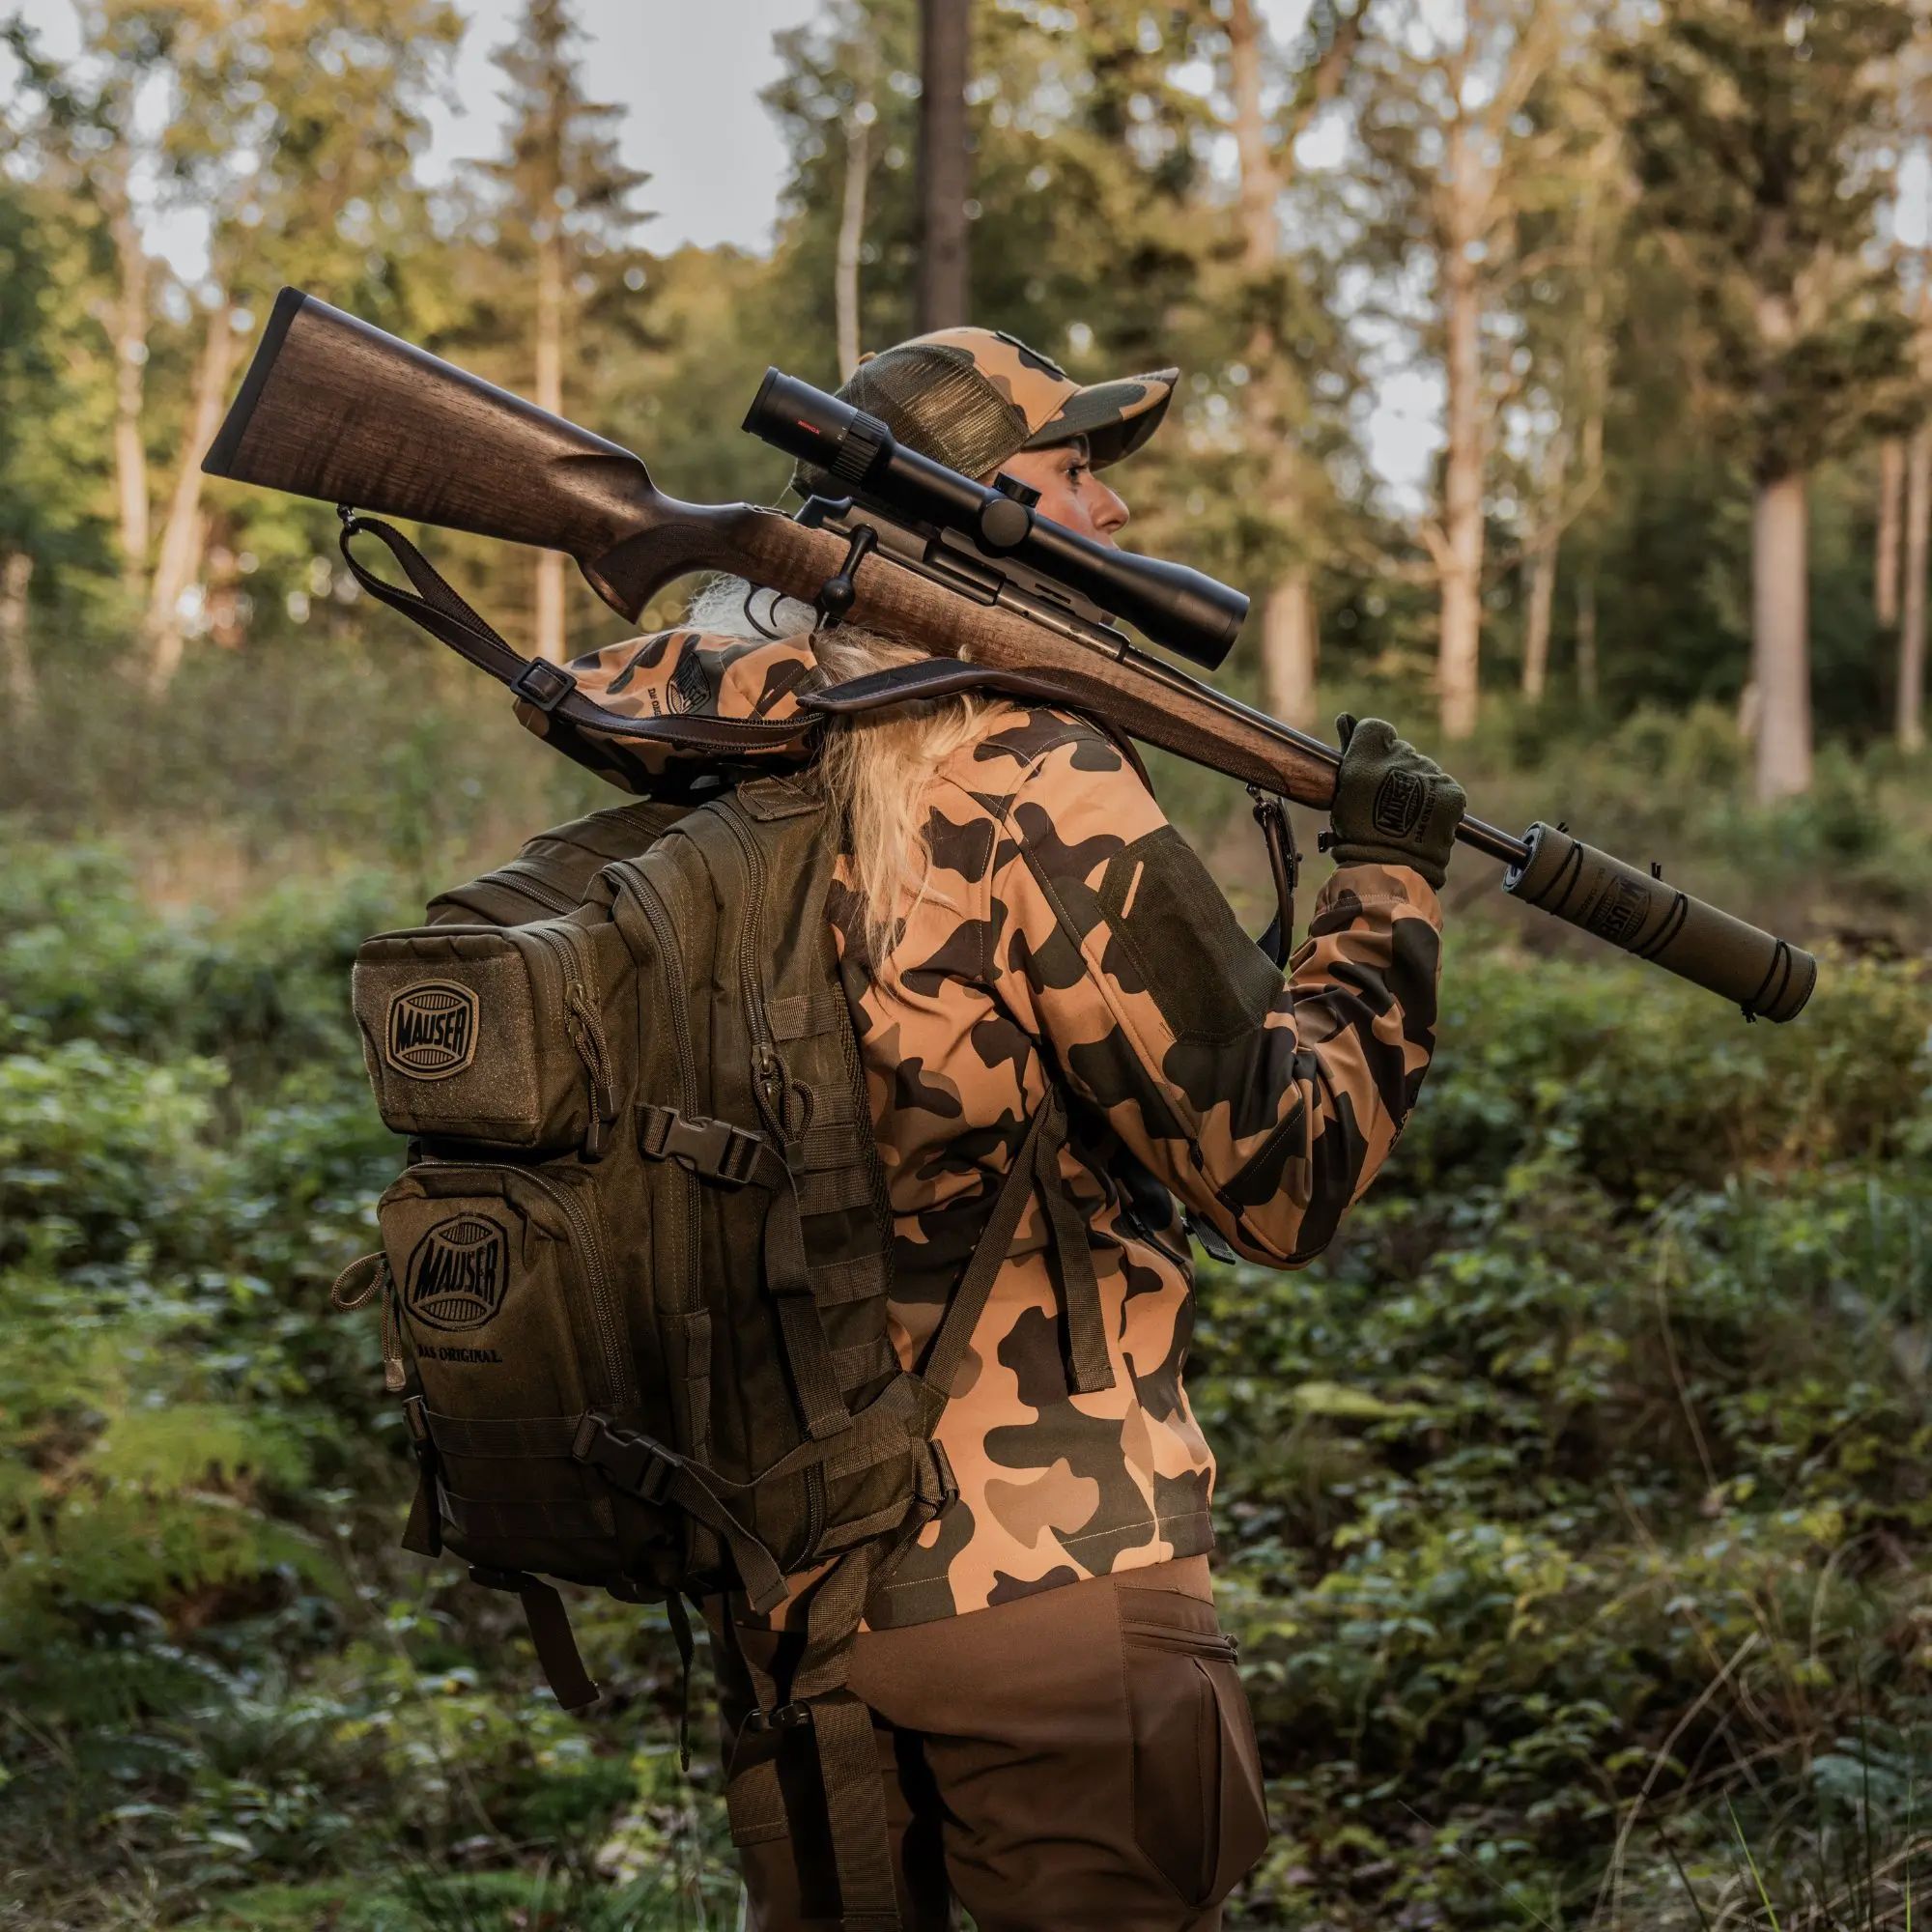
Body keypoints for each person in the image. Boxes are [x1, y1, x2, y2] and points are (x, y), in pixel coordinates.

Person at [619, 327, 1464, 1930]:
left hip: (785, 1594)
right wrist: (1383, 895)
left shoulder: (698, 756)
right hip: (1048, 1594)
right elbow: (1284, 1177)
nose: (1114, 517)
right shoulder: (1023, 773)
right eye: (1077, 474)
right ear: (973, 511)